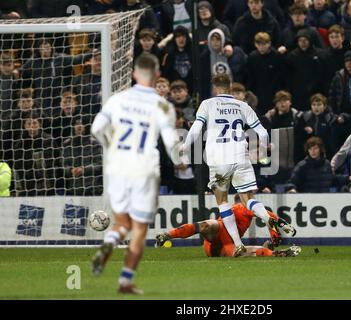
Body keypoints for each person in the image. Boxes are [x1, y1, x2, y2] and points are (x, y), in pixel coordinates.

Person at [90, 53, 185, 295]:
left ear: (134, 74)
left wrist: (111, 146)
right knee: (139, 228)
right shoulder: (162, 105)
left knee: (122, 222)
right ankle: (125, 280)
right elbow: (171, 143)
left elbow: (96, 128)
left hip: (118, 165)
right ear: (157, 76)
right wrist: (179, 161)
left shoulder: (117, 99)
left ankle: (109, 242)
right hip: (144, 167)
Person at [181, 74, 296, 257]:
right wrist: (265, 147)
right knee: (247, 199)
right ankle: (268, 218)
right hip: (241, 156)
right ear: (230, 86)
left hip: (219, 158)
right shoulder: (243, 106)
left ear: (214, 88)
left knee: (223, 201)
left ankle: (237, 243)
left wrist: (185, 146)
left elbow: (196, 128)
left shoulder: (207, 104)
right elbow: (262, 132)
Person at [155, 197, 300, 257]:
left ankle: (274, 253)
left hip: (224, 246)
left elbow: (270, 218)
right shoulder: (242, 207)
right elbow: (270, 218)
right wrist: (276, 234)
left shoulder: (248, 209)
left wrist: (274, 235)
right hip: (217, 235)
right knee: (210, 224)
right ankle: (167, 235)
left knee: (243, 252)